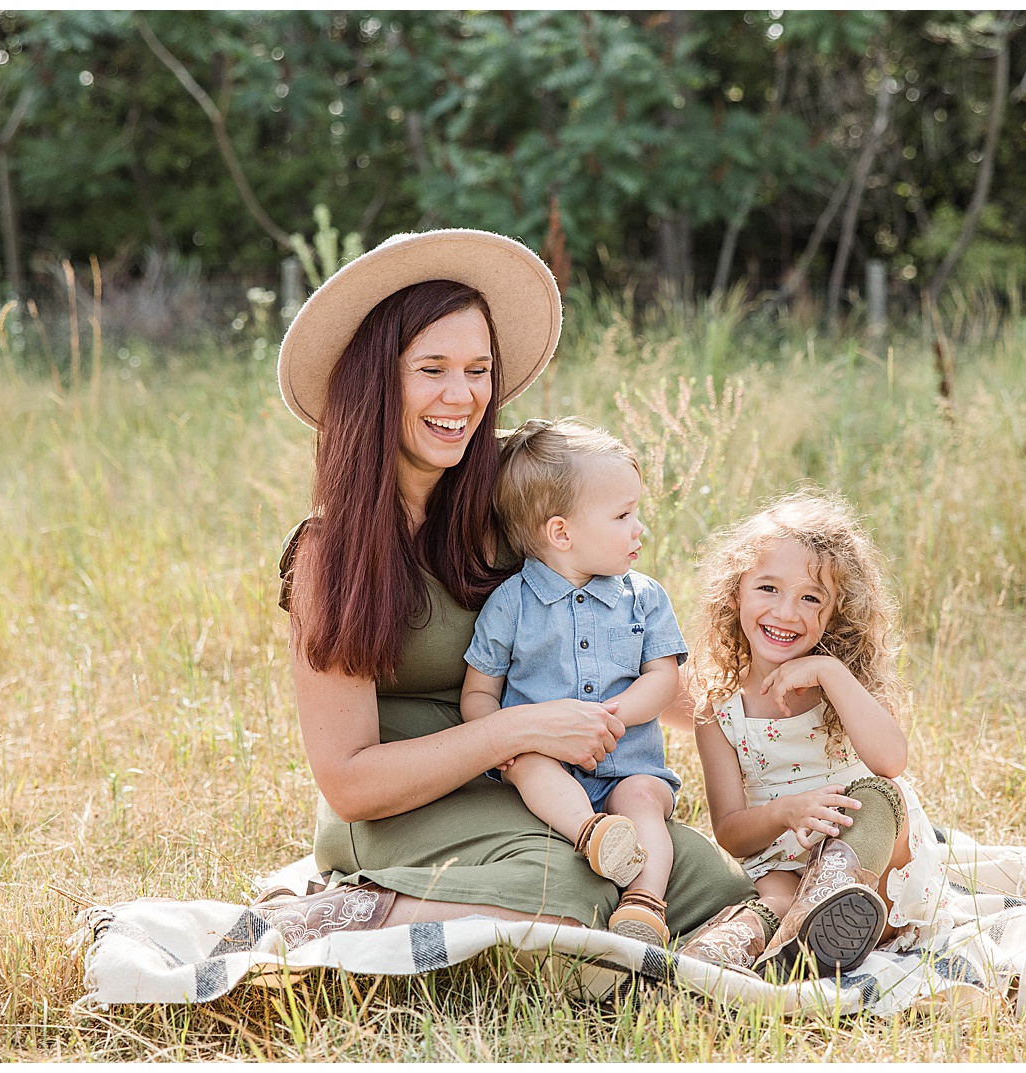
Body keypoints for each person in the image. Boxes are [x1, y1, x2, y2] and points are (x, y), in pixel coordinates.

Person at [254, 228, 758, 950]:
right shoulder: (330, 553)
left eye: (478, 368)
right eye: (431, 368)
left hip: (528, 788)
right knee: (572, 896)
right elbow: (350, 781)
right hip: (399, 811)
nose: (461, 396)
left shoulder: (509, 487)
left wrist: (748, 708)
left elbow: (616, 630)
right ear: (377, 380)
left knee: (702, 886)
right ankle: (336, 914)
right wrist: (519, 729)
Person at [678, 491, 951, 978]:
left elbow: (890, 762)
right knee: (778, 898)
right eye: (767, 588)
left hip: (875, 868)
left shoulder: (843, 683)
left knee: (876, 795)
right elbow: (732, 832)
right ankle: (731, 949)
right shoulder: (718, 709)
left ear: (834, 615)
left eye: (811, 598)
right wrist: (787, 812)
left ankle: (833, 900)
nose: (786, 613)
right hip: (786, 864)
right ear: (735, 591)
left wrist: (829, 672)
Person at [461, 418, 685, 945]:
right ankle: (591, 834)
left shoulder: (644, 596)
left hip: (628, 763)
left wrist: (612, 716)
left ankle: (644, 903)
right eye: (623, 515)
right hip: (546, 762)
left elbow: (663, 679)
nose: (639, 529)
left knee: (645, 800)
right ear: (561, 532)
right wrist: (507, 739)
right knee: (532, 768)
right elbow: (478, 692)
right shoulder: (511, 604)